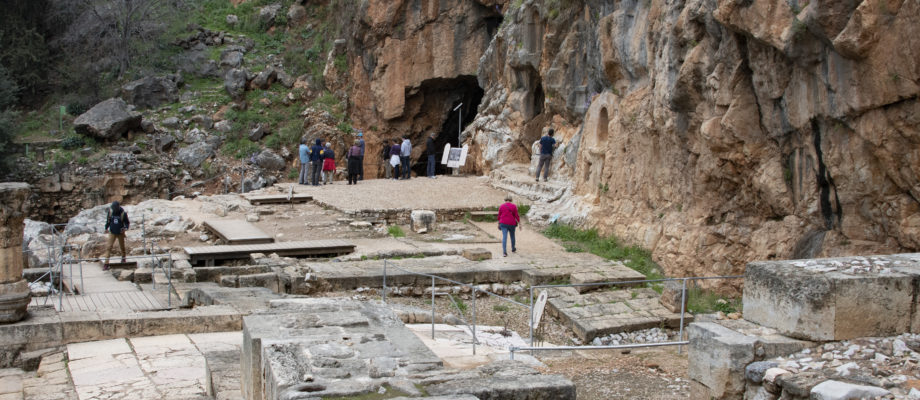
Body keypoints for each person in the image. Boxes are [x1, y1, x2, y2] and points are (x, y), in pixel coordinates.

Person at [103, 201, 130, 270]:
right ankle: (106, 263)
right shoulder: (110, 212)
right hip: (112, 232)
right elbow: (108, 221)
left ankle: (123, 257)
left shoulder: (123, 213)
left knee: (122, 246)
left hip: (120, 232)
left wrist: (125, 228)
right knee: (109, 247)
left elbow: (127, 223)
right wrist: (106, 228)